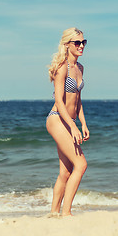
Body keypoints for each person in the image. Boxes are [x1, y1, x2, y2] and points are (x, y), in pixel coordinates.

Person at [46, 27, 89, 217]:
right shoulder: (62, 67)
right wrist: (72, 126)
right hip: (57, 119)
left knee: (66, 172)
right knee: (81, 165)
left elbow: (77, 101)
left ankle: (54, 213)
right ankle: (67, 213)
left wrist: (83, 123)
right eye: (77, 42)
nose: (81, 46)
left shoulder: (80, 68)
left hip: (69, 120)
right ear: (67, 45)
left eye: (83, 42)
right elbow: (59, 102)